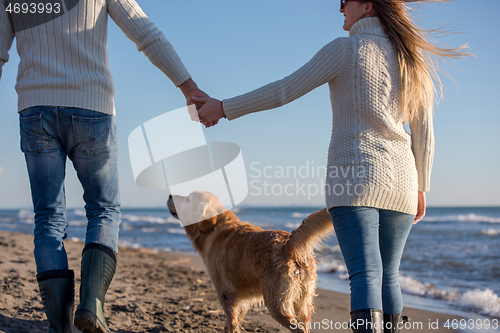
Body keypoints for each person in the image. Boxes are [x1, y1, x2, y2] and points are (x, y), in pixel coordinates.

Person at [193, 0, 469, 332]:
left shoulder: (345, 49)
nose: (339, 8)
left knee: (365, 274)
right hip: (403, 184)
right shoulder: (411, 60)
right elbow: (425, 133)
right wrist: (422, 186)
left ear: (367, 6)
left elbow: (284, 90)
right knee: (388, 275)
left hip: (354, 178)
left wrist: (224, 107)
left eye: (344, 2)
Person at [0, 0, 207, 332]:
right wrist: (189, 87)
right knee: (104, 209)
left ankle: (60, 327)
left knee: (48, 219)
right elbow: (145, 32)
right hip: (91, 107)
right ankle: (92, 306)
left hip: (35, 108)